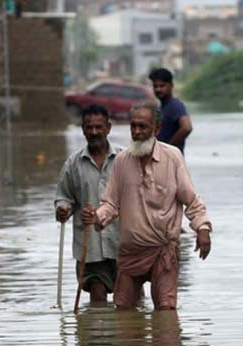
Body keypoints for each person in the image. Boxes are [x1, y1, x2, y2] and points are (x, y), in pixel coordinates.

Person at [82, 101, 212, 311]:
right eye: (133, 126)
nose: (137, 131)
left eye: (142, 126)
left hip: (164, 250)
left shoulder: (172, 157)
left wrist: (203, 228)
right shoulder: (122, 160)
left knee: (166, 311)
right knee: (123, 311)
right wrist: (96, 217)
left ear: (156, 129)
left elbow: (191, 199)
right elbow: (111, 203)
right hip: (130, 251)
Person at [55, 104, 123, 304]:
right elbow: (63, 196)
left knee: (128, 299)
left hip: (122, 243)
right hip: (90, 245)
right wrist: (63, 209)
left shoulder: (124, 159)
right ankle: (95, 333)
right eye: (89, 127)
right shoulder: (73, 163)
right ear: (83, 129)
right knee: (98, 297)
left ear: (108, 128)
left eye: (98, 127)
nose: (94, 132)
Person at [148, 68, 192, 154]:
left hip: (172, 160)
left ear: (171, 85)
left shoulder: (175, 105)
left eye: (162, 86)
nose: (158, 89)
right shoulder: (162, 107)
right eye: (155, 86)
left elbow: (187, 127)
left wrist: (167, 149)